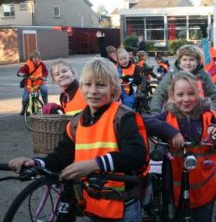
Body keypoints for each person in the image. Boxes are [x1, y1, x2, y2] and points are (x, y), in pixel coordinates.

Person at [9, 57, 149, 221]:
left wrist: (94, 164)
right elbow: (60, 157)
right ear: (81, 88)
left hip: (123, 208)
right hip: (93, 205)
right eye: (88, 84)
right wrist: (35, 162)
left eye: (101, 85)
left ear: (114, 90)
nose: (93, 90)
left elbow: (137, 154)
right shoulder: (76, 122)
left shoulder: (122, 118)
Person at [144, 71, 216, 222]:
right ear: (172, 96)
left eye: (191, 94)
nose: (186, 99)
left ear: (199, 94)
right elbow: (144, 121)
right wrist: (168, 131)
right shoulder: (167, 117)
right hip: (175, 190)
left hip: (206, 189)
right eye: (180, 94)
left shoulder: (210, 116)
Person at [149, 44, 216, 114]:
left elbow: (213, 97)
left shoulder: (204, 75)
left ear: (198, 61)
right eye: (184, 59)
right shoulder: (172, 75)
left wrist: (213, 115)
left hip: (198, 116)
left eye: (191, 60)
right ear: (180, 61)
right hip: (174, 115)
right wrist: (155, 112)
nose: (187, 63)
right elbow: (159, 94)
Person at [17, 51, 48, 115]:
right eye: (35, 58)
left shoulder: (41, 64)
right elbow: (22, 69)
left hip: (39, 82)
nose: (36, 59)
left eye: (38, 58)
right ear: (31, 58)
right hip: (29, 83)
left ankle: (46, 105)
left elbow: (45, 71)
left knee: (44, 89)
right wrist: (20, 73)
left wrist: (44, 76)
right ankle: (24, 109)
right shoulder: (28, 64)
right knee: (25, 98)